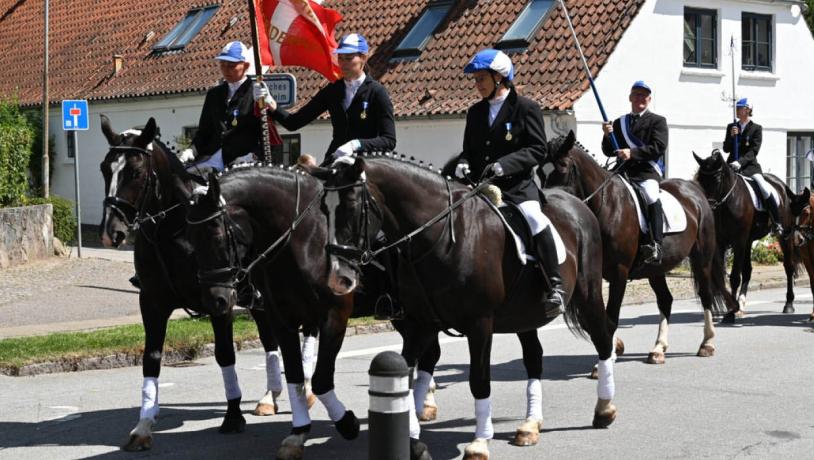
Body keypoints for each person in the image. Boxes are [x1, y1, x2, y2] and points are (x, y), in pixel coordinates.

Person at [454, 49, 563, 318]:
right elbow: (469, 149)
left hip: (518, 188)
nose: (477, 84)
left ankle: (555, 286)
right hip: (483, 188)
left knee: (535, 219)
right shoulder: (475, 112)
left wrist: (507, 164)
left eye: (482, 78)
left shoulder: (527, 108)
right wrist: (463, 162)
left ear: (500, 78)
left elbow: (538, 150)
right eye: (476, 79)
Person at [261, 34, 396, 165]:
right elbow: (293, 123)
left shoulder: (377, 92)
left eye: (348, 58)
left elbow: (389, 140)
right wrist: (270, 102)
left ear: (363, 58)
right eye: (340, 58)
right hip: (335, 161)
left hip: (366, 164)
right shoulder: (332, 91)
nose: (343, 63)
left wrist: (356, 144)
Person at [183, 41, 282, 172]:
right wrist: (192, 150)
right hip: (210, 158)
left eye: (231, 66)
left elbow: (267, 135)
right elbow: (204, 131)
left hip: (241, 161)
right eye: (222, 65)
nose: (226, 70)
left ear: (246, 66)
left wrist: (253, 155)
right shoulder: (214, 94)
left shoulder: (256, 94)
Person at [602, 80, 668, 265]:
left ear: (649, 99)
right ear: (630, 97)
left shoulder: (657, 121)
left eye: (644, 95)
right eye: (637, 94)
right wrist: (607, 135)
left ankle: (656, 244)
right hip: (623, 171)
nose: (640, 98)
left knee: (650, 195)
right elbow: (608, 151)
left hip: (646, 171)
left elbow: (658, 147)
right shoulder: (619, 122)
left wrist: (633, 153)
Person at [723, 98, 782, 235]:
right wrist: (732, 136)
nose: (737, 110)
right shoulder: (731, 126)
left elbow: (753, 151)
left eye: (740, 108)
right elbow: (726, 148)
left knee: (764, 188)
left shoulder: (756, 129)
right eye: (736, 108)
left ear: (748, 110)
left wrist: (741, 162)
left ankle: (776, 221)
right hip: (731, 165)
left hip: (749, 166)